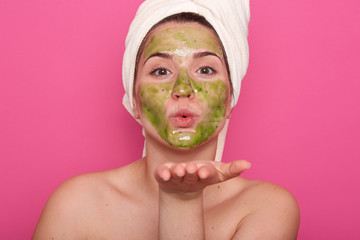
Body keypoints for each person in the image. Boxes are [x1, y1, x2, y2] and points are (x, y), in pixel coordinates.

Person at [33, 0, 300, 239]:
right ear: (134, 102)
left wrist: (181, 201)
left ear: (230, 98)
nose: (183, 88)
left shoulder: (266, 208)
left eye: (205, 69)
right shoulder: (77, 205)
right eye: (161, 71)